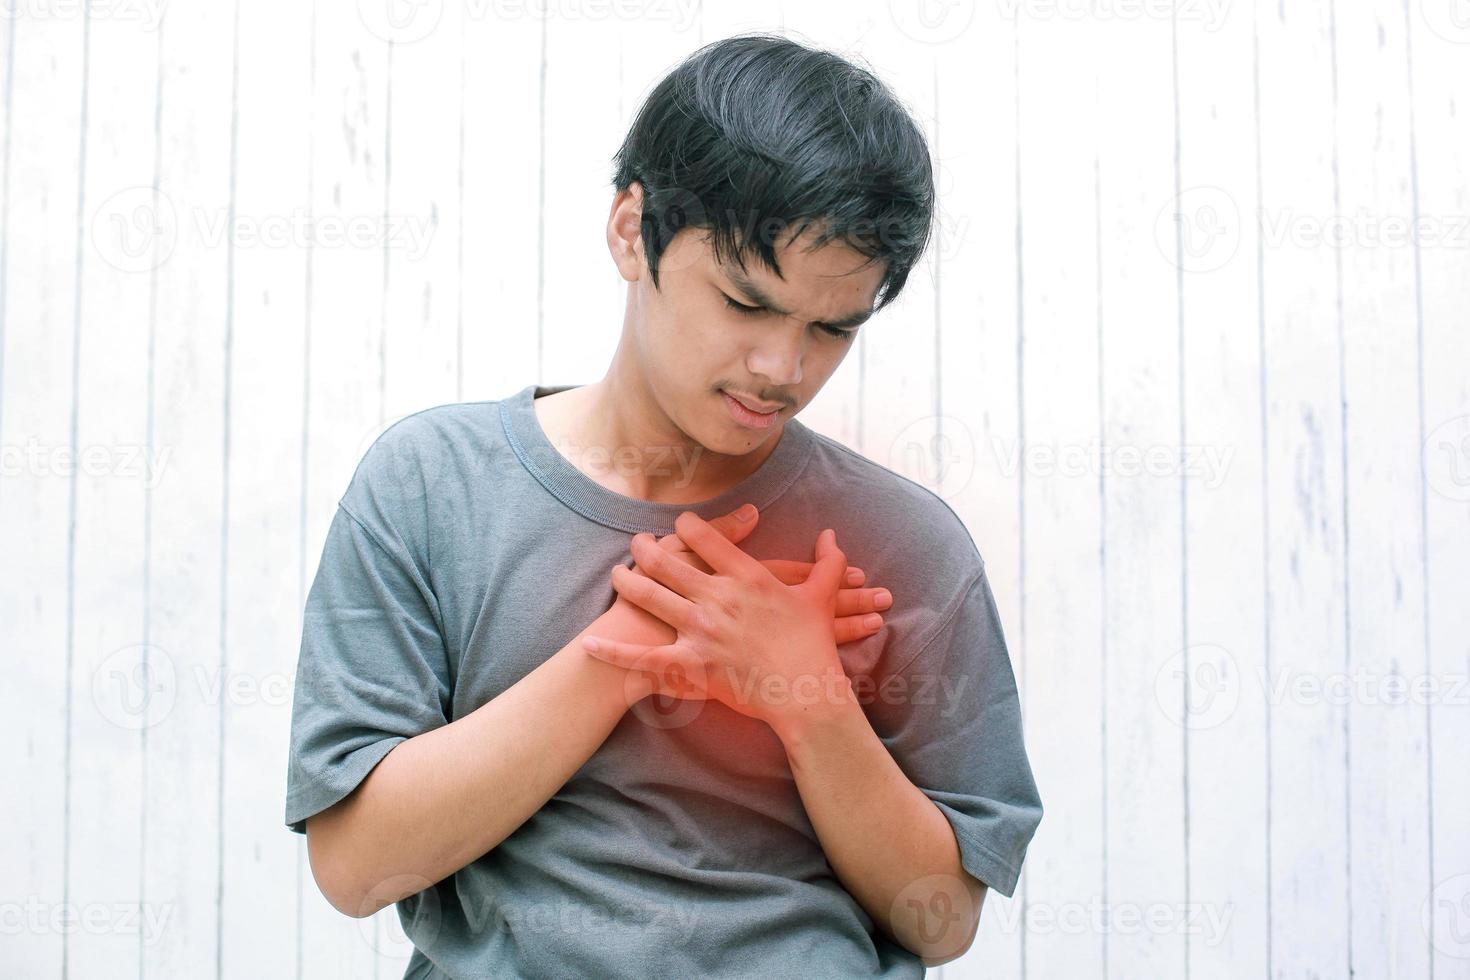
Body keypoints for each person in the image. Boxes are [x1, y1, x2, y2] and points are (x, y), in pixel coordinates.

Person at [284, 31, 1042, 979]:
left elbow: (941, 923)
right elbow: (355, 868)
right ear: (630, 230)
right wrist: (633, 649)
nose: (784, 369)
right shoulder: (432, 485)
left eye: (832, 328)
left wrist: (805, 695)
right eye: (745, 303)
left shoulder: (905, 543)